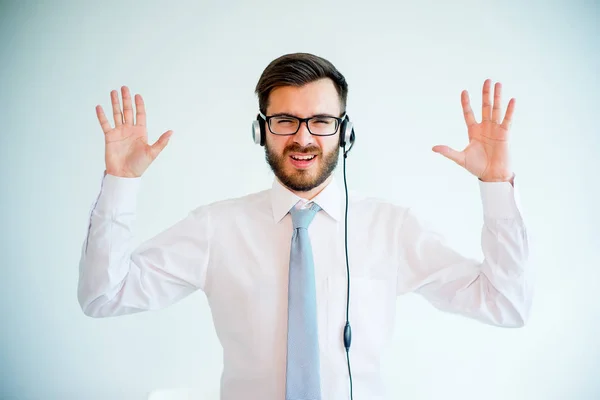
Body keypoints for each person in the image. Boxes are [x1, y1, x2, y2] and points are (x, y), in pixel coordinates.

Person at [78, 52, 532, 400]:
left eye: (321, 120)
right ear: (261, 129)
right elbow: (103, 296)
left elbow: (506, 305)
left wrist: (496, 186)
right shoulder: (215, 227)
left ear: (344, 131)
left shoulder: (393, 229)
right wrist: (121, 182)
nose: (303, 137)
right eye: (284, 120)